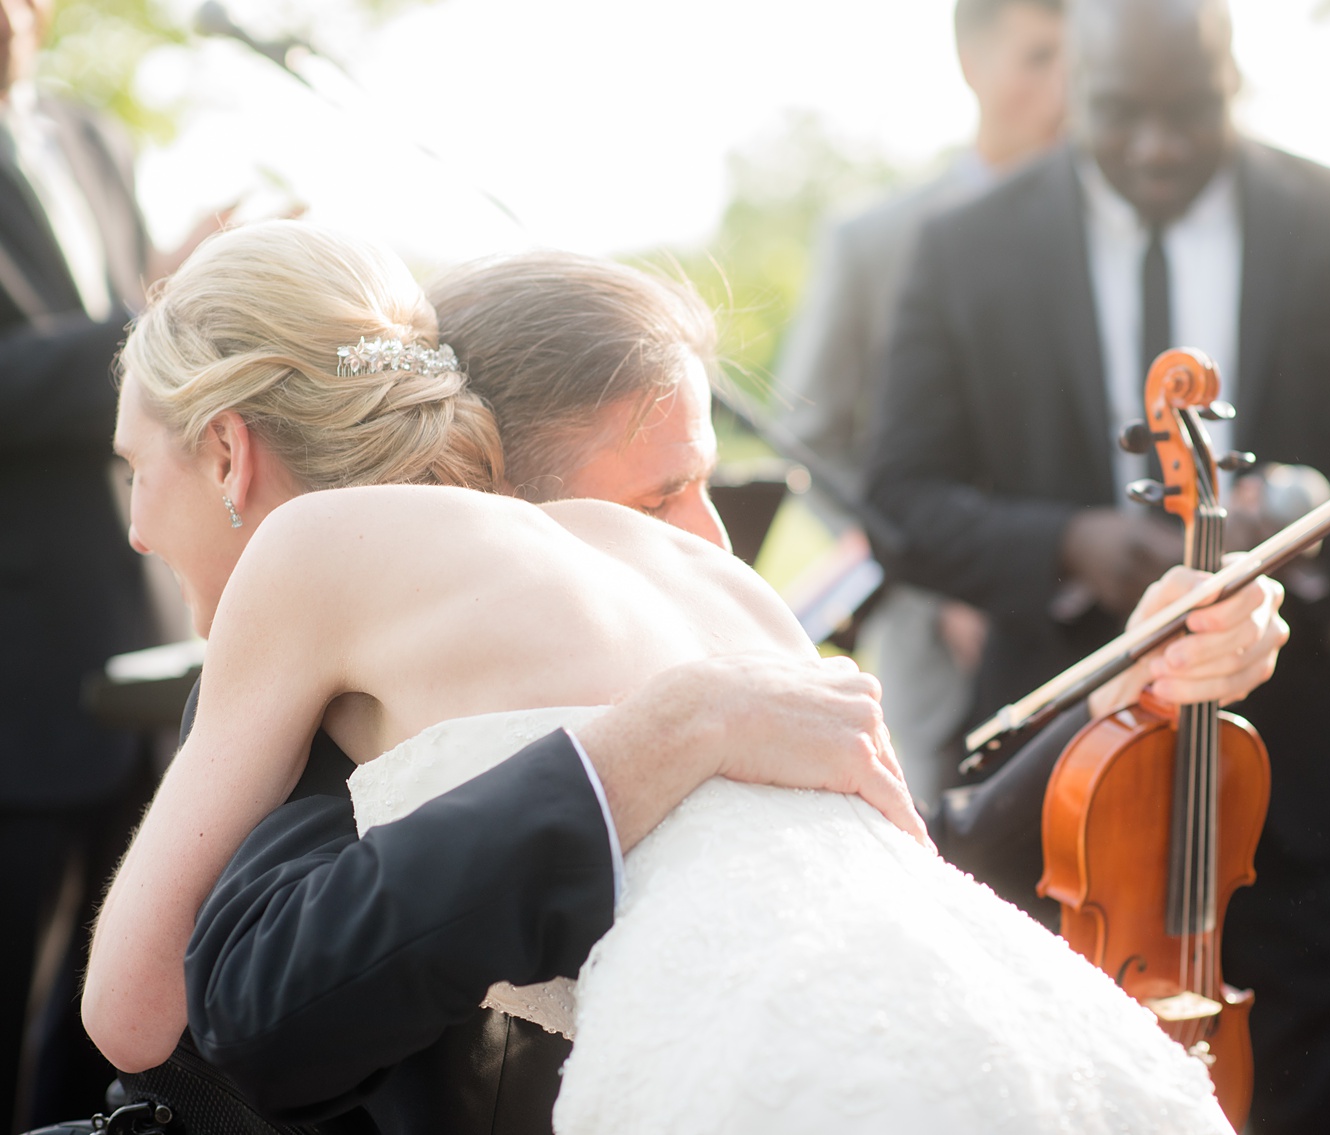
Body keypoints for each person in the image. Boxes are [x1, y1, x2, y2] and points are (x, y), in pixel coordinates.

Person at [81, 220, 1241, 1133]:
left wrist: (1118, 695)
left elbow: (874, 867)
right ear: (502, 509)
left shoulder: (687, 620)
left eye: (707, 483)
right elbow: (255, 1011)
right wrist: (642, 744)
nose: (713, 544)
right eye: (657, 497)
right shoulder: (365, 663)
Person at [866, 0, 1330, 1131]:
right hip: (1063, 811)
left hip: (1311, 815)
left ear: (1233, 76)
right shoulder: (964, 247)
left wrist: (1301, 524)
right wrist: (1068, 547)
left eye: (1191, 110)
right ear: (1072, 82)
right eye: (1120, 113)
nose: (1157, 145)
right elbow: (900, 498)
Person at [0, 0, 218, 1122]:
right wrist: (153, 325)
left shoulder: (90, 135)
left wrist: (191, 299)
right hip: (16, 661)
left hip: (138, 631)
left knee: (114, 1023)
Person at [778, 0, 1065, 809]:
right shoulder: (874, 241)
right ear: (972, 64)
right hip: (935, 656)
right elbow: (813, 432)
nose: (1067, 87)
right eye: (1040, 58)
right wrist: (937, 584)